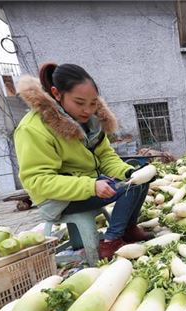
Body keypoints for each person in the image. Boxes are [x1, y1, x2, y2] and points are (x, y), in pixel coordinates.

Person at [14, 63, 152, 260]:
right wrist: (90, 186)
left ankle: (127, 228)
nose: (87, 110)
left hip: (88, 186)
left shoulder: (92, 122)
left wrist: (128, 172)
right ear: (57, 93)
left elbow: (106, 157)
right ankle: (111, 241)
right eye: (79, 103)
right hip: (58, 199)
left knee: (138, 178)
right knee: (129, 188)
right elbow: (38, 180)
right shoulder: (33, 128)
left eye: (93, 102)